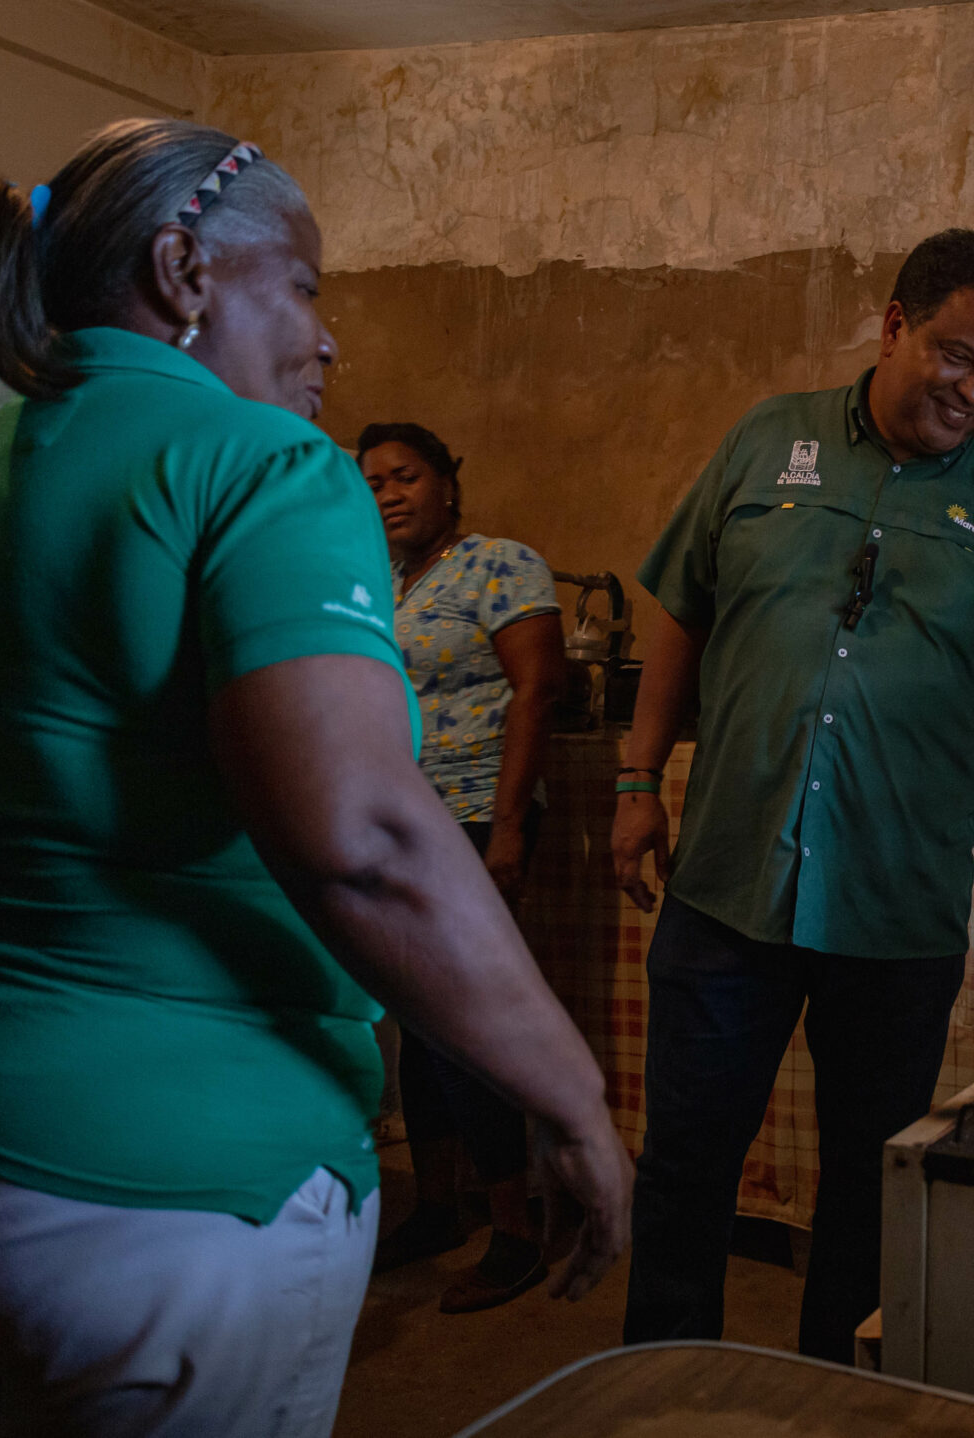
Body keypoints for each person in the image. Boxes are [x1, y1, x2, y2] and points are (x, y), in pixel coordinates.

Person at [0, 119, 630, 1437]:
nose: (325, 338)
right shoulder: (259, 466)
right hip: (156, 1188)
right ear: (183, 268)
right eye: (306, 285)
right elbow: (368, 835)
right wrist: (567, 1089)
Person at [613, 228, 974, 1363]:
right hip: (731, 880)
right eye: (953, 356)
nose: (973, 391)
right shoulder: (764, 441)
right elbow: (679, 607)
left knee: (869, 1179)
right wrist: (637, 776)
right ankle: (663, 1384)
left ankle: (839, 1392)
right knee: (686, 1159)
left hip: (895, 901)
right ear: (891, 326)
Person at [359, 420, 570, 1311]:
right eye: (371, 483)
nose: (388, 494)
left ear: (449, 480)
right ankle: (440, 1207)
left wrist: (510, 828)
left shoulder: (499, 565)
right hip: (405, 826)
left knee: (466, 1027)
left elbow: (539, 687)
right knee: (419, 1026)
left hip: (481, 815)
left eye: (404, 475)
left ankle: (518, 1228)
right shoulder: (383, 582)